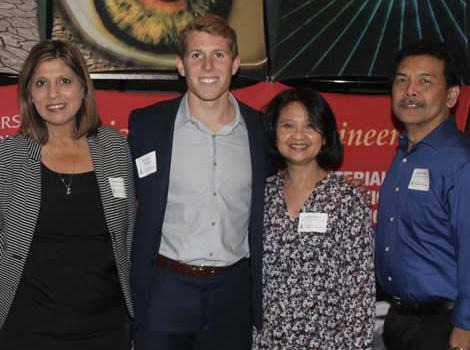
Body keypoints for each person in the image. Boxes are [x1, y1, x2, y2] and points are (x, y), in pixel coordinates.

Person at [128, 14, 266, 350]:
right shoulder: (147, 125)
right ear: (180, 65)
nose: (207, 66)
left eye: (218, 54)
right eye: (196, 55)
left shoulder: (261, 129)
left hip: (232, 294)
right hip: (164, 290)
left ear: (235, 63)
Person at [0, 40, 135, 349]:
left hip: (105, 329)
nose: (53, 94)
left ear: (83, 88)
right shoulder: (8, 157)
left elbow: (128, 235)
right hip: (27, 330)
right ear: (29, 95)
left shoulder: (114, 148)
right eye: (41, 83)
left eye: (64, 81)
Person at [252, 87, 375, 349]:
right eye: (288, 125)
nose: (298, 135)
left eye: (310, 126)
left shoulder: (347, 200)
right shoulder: (260, 196)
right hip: (267, 342)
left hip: (330, 343)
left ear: (325, 137)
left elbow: (359, 291)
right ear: (274, 135)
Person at [376, 41, 470, 350]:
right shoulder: (404, 154)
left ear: (452, 95)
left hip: (444, 328)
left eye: (425, 81)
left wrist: (465, 327)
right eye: (402, 80)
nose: (410, 90)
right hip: (400, 320)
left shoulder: (460, 163)